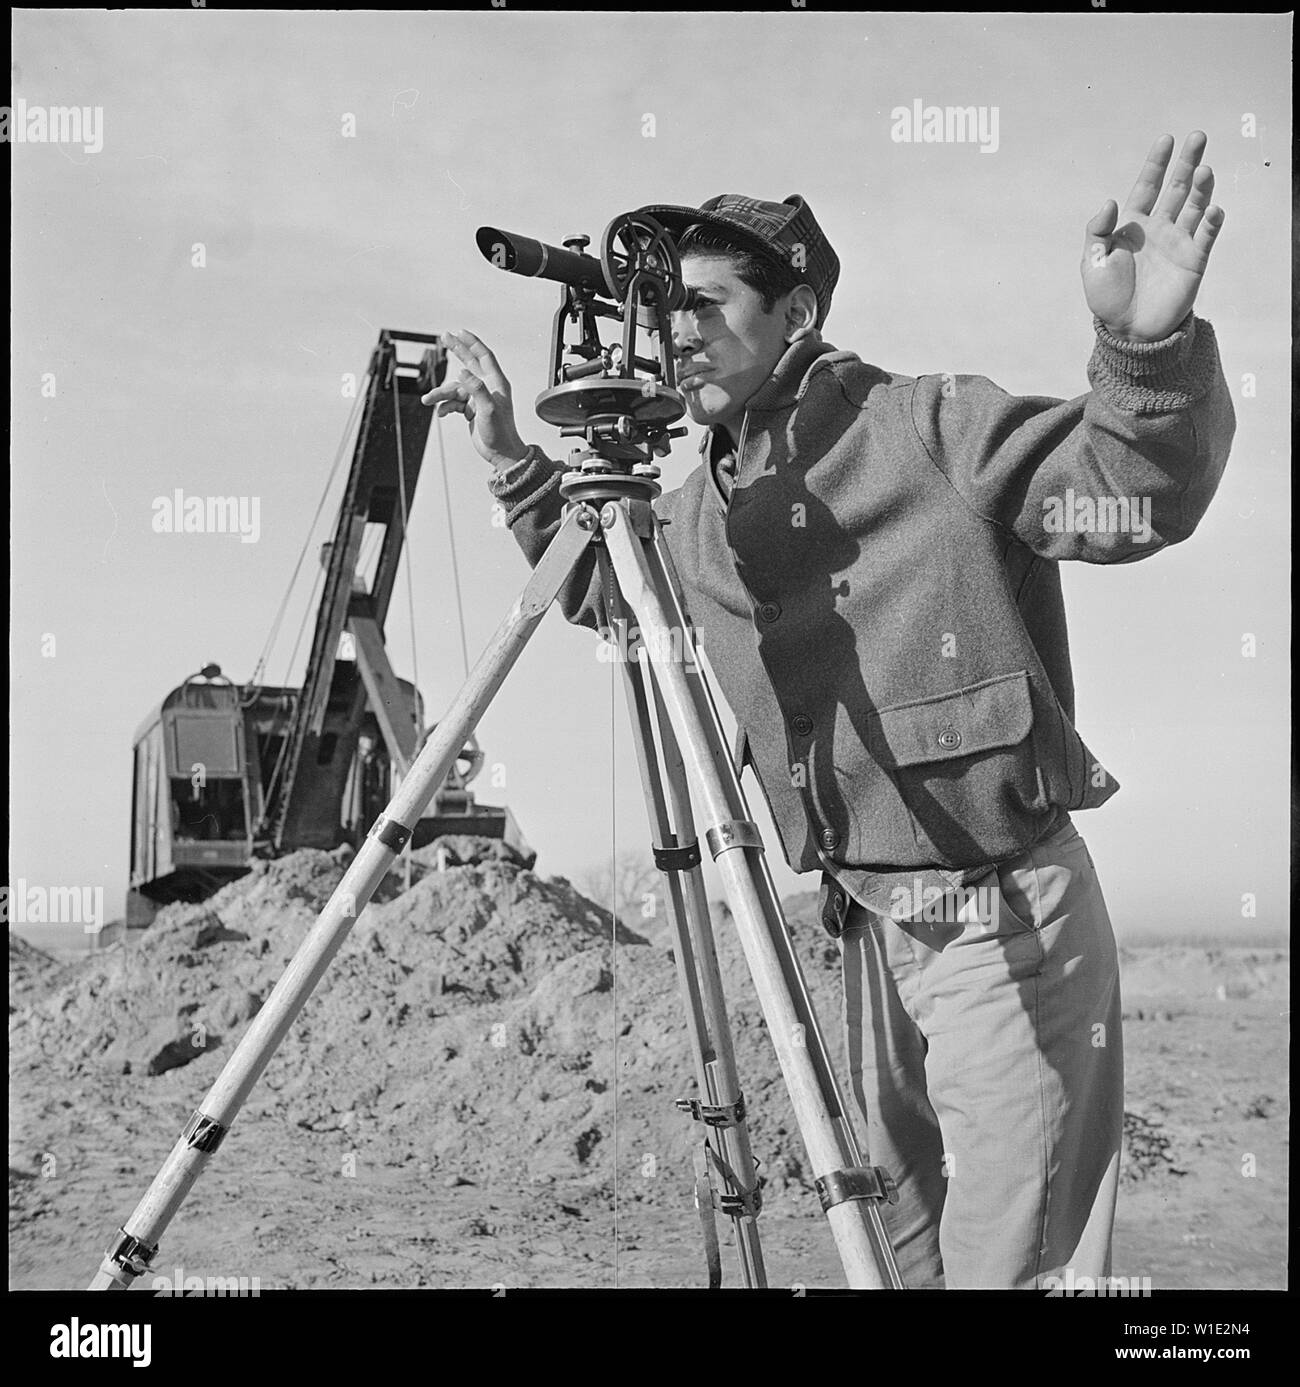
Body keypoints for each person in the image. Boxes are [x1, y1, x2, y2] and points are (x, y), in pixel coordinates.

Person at [422, 132, 1235, 1289]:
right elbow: (611, 592)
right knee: (895, 1249)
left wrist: (1142, 342)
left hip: (996, 915)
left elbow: (1126, 494)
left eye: (704, 304)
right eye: (664, 308)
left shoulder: (927, 425)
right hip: (863, 927)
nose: (673, 334)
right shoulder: (705, 506)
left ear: (794, 311)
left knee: (1017, 1262)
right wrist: (508, 446)